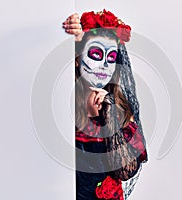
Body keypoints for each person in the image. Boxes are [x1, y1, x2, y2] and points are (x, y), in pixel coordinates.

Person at [62, 10, 148, 200]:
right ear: (77, 59)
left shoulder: (121, 106)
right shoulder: (64, 101)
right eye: (96, 54)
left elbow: (126, 172)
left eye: (110, 58)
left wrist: (109, 118)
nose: (104, 65)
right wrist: (71, 32)